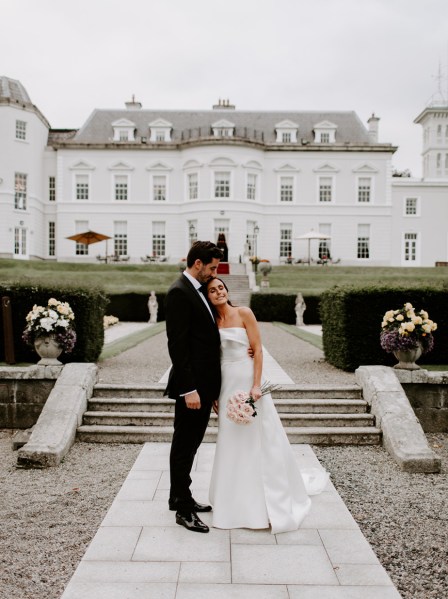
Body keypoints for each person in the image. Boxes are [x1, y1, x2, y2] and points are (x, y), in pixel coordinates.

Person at [206, 277, 329, 534]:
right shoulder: (212, 322)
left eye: (221, 288)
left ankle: (267, 502)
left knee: (260, 439)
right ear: (207, 296)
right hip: (226, 383)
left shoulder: (244, 313)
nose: (218, 292)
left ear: (227, 291)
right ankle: (232, 502)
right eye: (212, 290)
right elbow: (211, 358)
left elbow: (258, 349)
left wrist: (256, 385)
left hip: (248, 379)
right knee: (231, 440)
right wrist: (214, 394)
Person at [164, 240, 223, 533]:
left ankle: (183, 496)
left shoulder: (198, 292)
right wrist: (189, 390)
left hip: (205, 387)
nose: (214, 273)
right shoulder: (179, 292)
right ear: (197, 263)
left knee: (191, 445)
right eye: (212, 267)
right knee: (184, 446)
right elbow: (178, 345)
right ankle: (182, 508)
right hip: (192, 388)